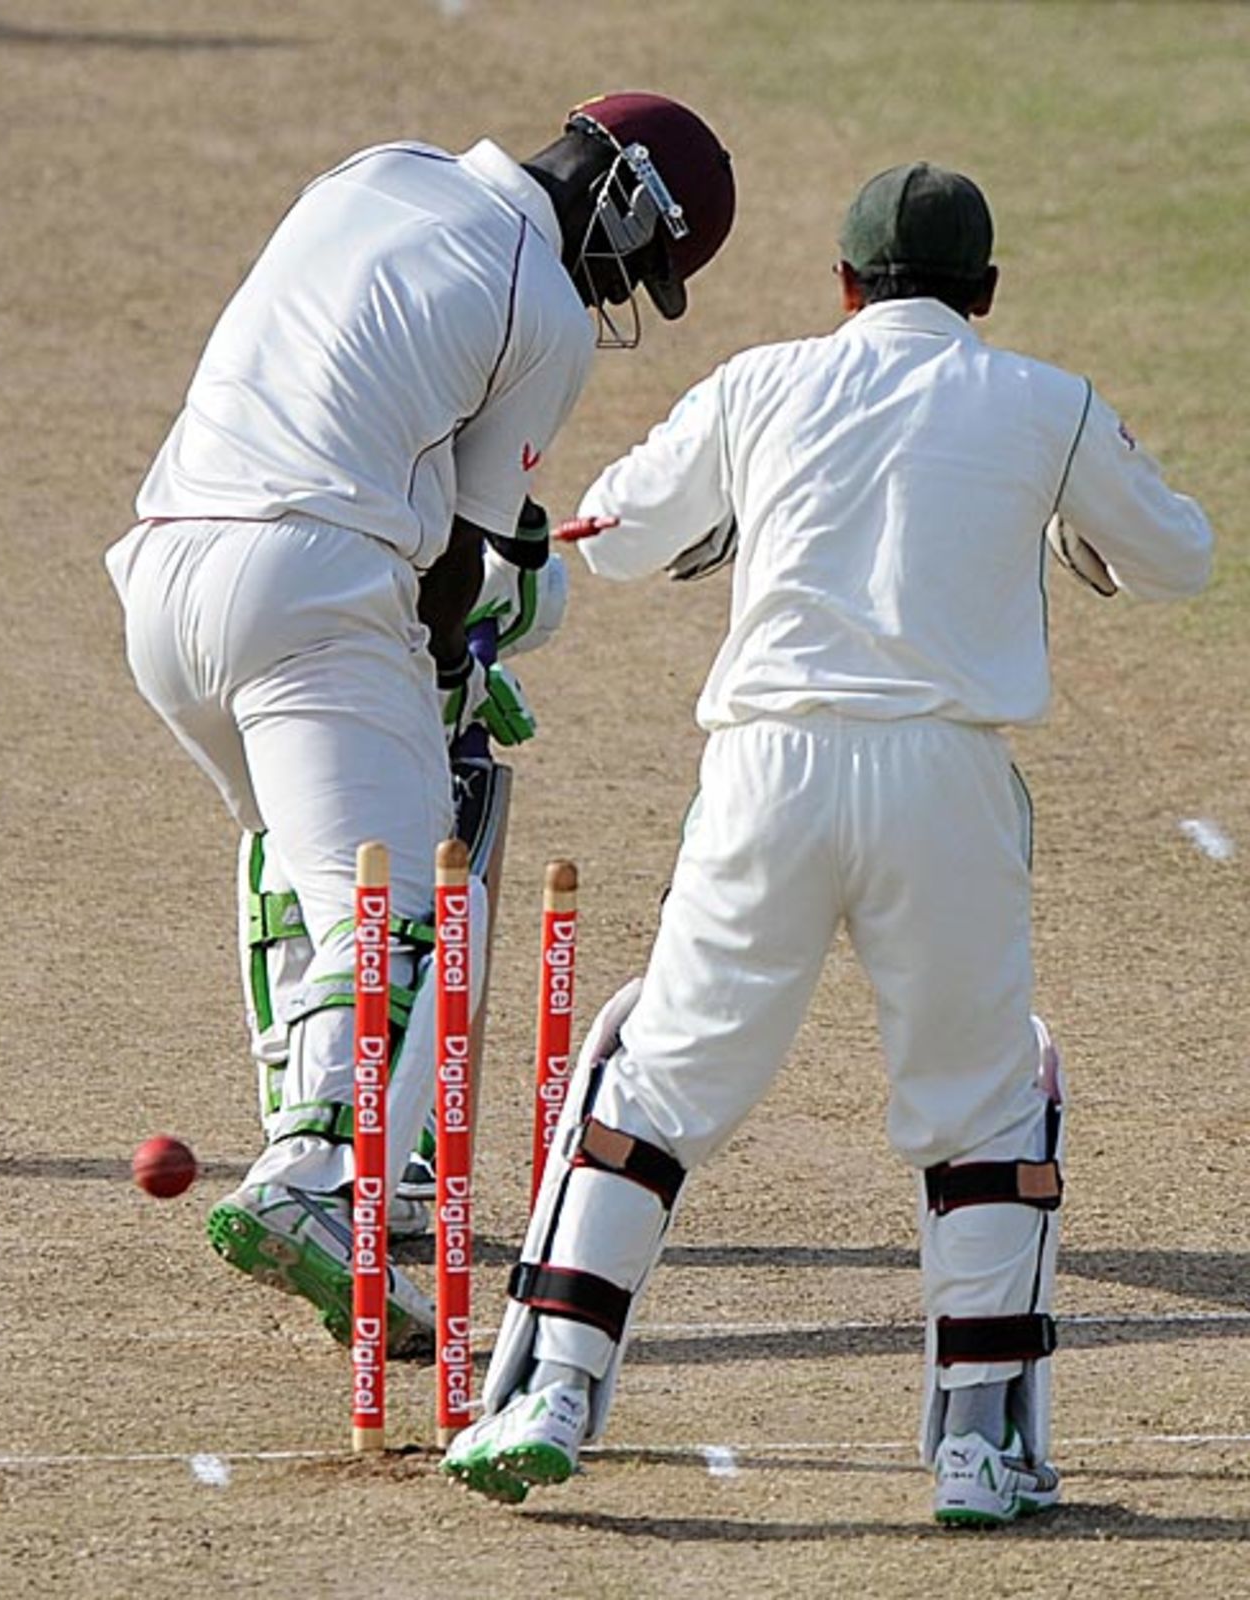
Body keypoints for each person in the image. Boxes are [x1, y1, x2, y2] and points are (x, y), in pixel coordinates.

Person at [443, 161, 1214, 1523]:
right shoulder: (1047, 400)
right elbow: (1181, 559)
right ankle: (976, 1450)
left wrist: (729, 516)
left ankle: (556, 1386)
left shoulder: (762, 381)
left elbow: (611, 536)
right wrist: (1057, 520)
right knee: (982, 1104)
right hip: (950, 780)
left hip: (768, 772)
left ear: (845, 286)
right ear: (986, 295)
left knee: (660, 1083)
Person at [104, 94, 736, 1355]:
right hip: (310, 588)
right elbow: (460, 557)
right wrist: (445, 668)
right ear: (622, 205)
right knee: (415, 906)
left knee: (306, 866)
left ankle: (350, 1159)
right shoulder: (540, 305)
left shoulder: (375, 166)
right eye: (641, 262)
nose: (621, 291)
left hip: (163, 575)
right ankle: (309, 1174)